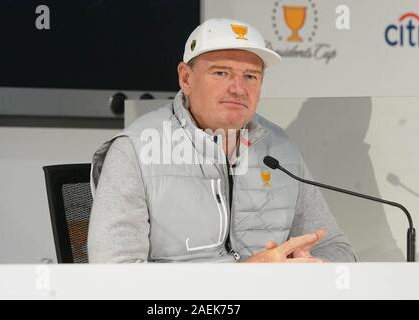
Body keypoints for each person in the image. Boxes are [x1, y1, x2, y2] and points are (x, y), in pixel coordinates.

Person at [88, 18, 355, 263]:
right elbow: (115, 276)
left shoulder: (280, 149)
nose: (238, 88)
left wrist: (312, 267)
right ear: (186, 78)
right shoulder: (135, 150)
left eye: (250, 76)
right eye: (221, 73)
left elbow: (336, 247)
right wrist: (242, 278)